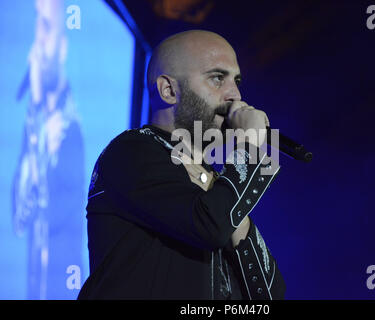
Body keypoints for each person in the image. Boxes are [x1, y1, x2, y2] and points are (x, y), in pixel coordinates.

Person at [78, 30, 285, 300]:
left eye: (236, 80)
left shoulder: (215, 182)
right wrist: (248, 149)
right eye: (217, 78)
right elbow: (208, 227)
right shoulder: (132, 151)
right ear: (168, 90)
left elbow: (269, 295)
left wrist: (235, 214)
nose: (235, 95)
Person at [12, 0, 84, 299]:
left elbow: (58, 216)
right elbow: (19, 219)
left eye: (46, 28)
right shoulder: (35, 126)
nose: (38, 44)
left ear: (63, 46)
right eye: (36, 28)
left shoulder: (71, 130)